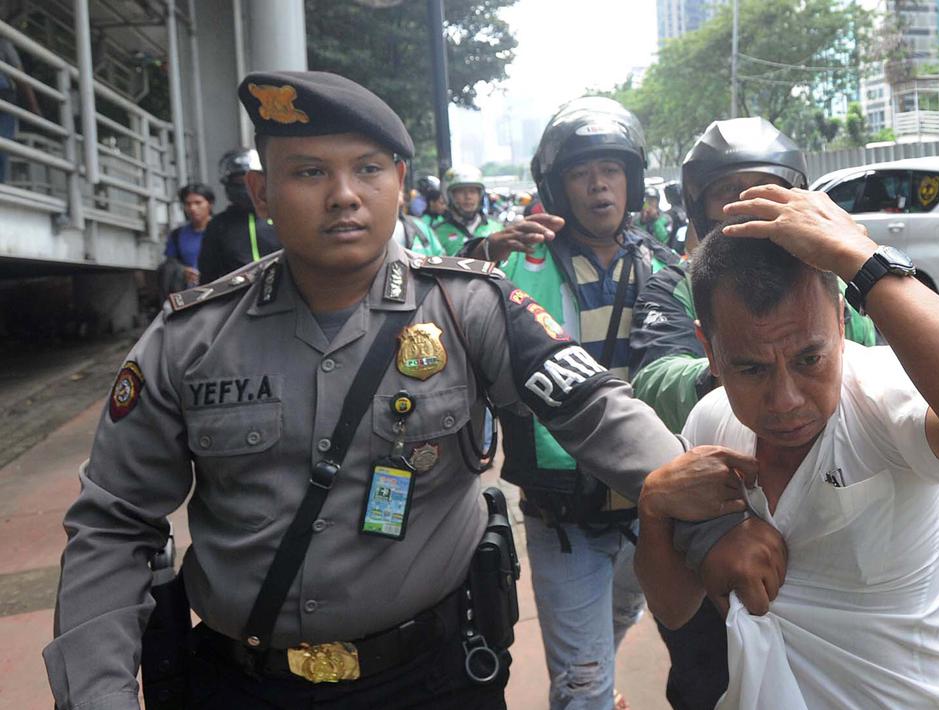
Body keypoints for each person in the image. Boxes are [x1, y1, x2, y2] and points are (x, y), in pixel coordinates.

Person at [43, 70, 756, 710]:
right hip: (241, 684)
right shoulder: (186, 341)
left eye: (368, 168)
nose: (344, 195)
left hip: (433, 676)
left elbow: (594, 409)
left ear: (399, 180)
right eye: (310, 171)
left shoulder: (466, 306)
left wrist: (714, 523)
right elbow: (113, 524)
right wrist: (96, 692)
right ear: (262, 192)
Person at [634, 187, 939, 708]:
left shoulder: (882, 395)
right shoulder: (710, 420)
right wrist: (654, 507)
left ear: (840, 323)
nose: (786, 401)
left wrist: (864, 260)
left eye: (810, 359)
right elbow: (674, 608)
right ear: (710, 351)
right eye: (751, 368)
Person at [628, 116, 878, 710]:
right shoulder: (675, 284)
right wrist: (738, 364)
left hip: (831, 526)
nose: (746, 207)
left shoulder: (836, 284)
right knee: (707, 679)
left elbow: (877, 367)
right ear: (697, 207)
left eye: (764, 189)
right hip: (718, 526)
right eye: (727, 194)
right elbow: (655, 381)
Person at [460, 96, 680, 710]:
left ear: (631, 181)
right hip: (565, 516)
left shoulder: (664, 265)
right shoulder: (520, 265)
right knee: (578, 686)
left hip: (649, 503)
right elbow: (442, 305)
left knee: (615, 623)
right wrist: (484, 255)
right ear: (557, 187)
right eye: (582, 173)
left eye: (610, 170)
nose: (598, 185)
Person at [195, 147, 281, 282]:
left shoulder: (282, 217)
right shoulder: (219, 225)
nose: (246, 187)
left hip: (285, 295)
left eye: (250, 181)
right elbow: (208, 274)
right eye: (239, 182)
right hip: (239, 299)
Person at [158, 183, 215, 298]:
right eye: (188, 204)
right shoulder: (177, 235)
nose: (193, 208)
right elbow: (169, 265)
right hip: (189, 296)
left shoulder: (222, 230)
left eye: (198, 203)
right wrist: (182, 272)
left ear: (210, 204)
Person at [431, 164, 499, 255]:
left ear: (480, 195)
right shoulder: (436, 233)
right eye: (461, 191)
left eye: (473, 191)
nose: (468, 197)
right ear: (450, 196)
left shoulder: (497, 227)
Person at [0, 36, 41, 183]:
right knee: (2, 146)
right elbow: (20, 75)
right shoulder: (3, 41)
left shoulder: (3, 41)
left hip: (4, 96)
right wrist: (34, 107)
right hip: (4, 95)